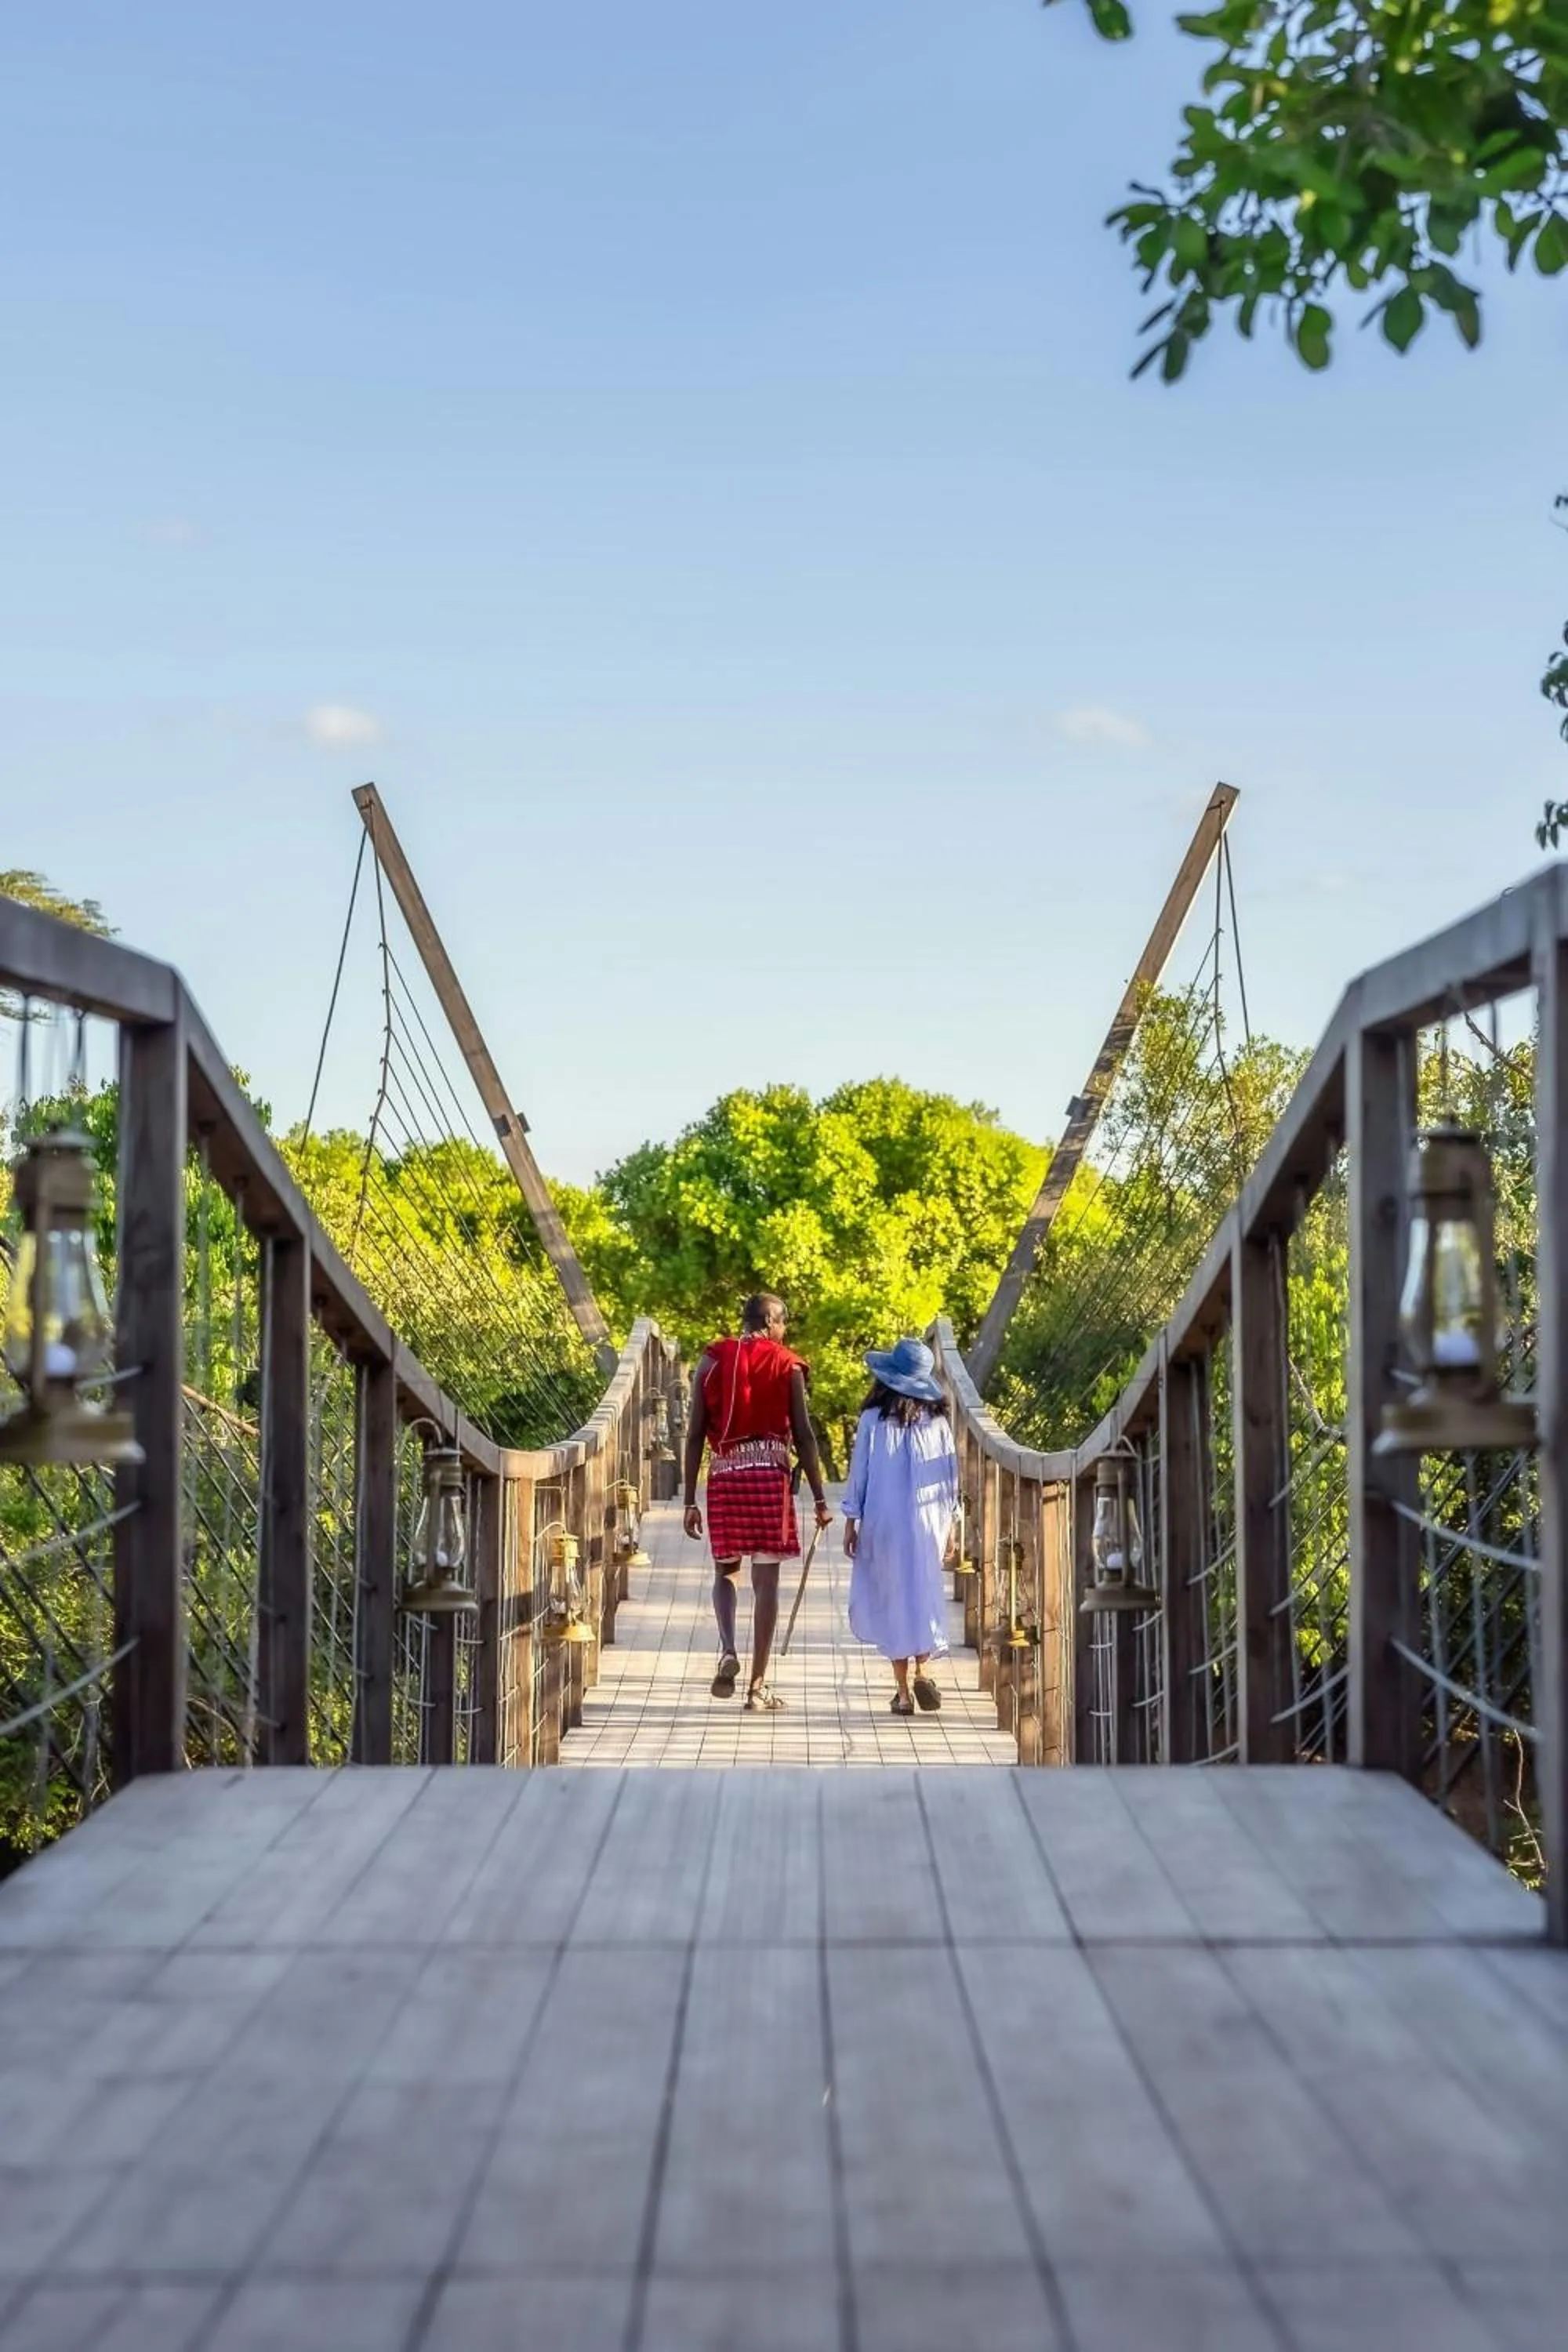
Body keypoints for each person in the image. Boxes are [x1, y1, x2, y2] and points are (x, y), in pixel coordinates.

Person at [683, 1291, 832, 1712]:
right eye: (783, 1323)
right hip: (769, 1477)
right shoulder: (788, 1365)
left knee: (726, 1571)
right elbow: (803, 1435)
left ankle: (728, 1649)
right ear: (770, 1321)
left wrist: (689, 1501)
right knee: (766, 1585)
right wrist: (820, 1498)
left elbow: (694, 1433)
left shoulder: (711, 1361)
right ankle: (757, 1687)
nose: (784, 1332)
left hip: (726, 1475)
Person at [841, 1336, 956, 1716]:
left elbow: (860, 1473)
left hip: (883, 1520)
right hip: (927, 1521)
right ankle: (924, 1670)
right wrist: (952, 1526)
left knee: (892, 1597)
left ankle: (903, 1693)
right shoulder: (938, 1422)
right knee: (921, 1593)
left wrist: (851, 1520)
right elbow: (949, 1478)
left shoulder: (872, 1420)